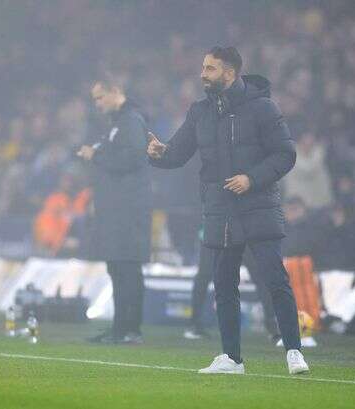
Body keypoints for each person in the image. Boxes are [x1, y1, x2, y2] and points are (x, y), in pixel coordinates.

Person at [148, 46, 309, 375]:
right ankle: (232, 358)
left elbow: (285, 154)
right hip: (220, 209)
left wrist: (252, 178)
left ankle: (294, 350)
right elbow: (178, 154)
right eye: (203, 67)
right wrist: (158, 153)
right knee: (223, 284)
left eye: (209, 69)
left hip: (257, 206)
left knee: (274, 279)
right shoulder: (199, 112)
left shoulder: (263, 108)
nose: (202, 74)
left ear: (230, 73)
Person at [77, 80, 152, 344]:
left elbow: (131, 160)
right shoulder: (118, 124)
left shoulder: (131, 121)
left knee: (126, 267)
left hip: (128, 211)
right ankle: (122, 328)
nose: (97, 104)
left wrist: (95, 156)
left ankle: (130, 330)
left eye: (99, 98)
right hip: (116, 210)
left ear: (115, 92)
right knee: (118, 267)